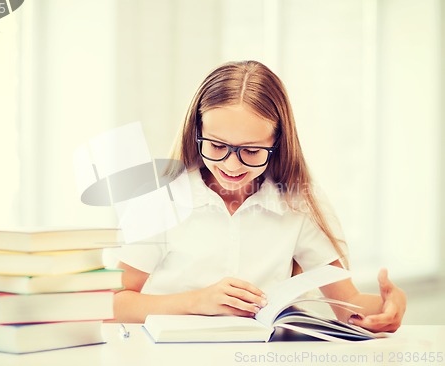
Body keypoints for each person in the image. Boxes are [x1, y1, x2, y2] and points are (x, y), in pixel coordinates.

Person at [113, 60, 406, 332]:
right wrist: (196, 301)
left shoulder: (298, 202)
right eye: (216, 146)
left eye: (251, 151)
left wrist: (388, 307)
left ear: (278, 143)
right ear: (196, 132)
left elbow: (347, 304)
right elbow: (115, 304)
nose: (231, 165)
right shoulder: (161, 198)